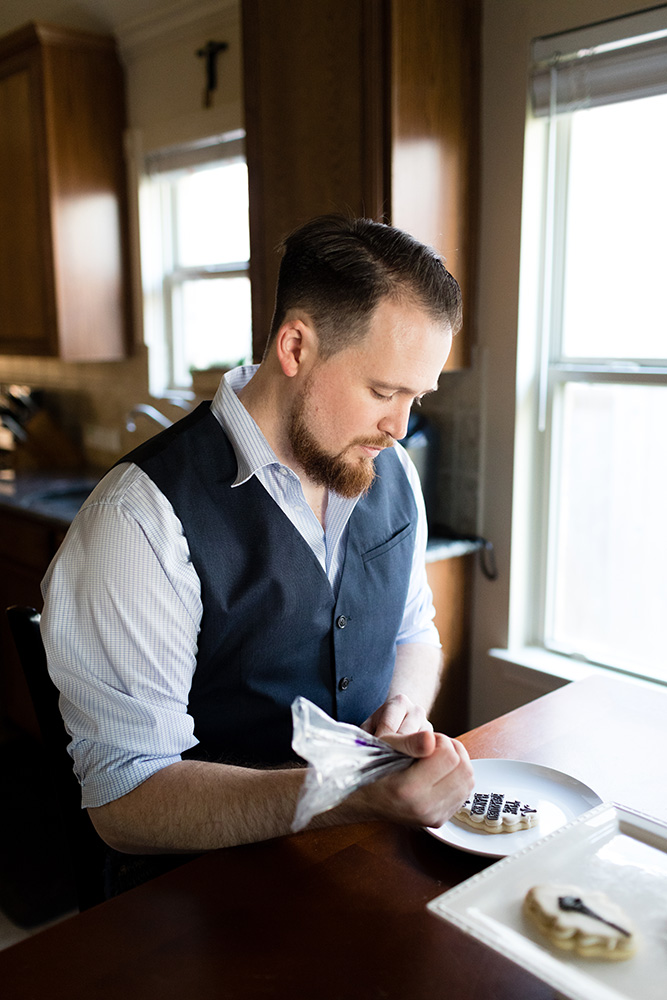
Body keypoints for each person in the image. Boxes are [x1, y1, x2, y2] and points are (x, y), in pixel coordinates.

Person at [40, 215, 474, 877]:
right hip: (198, 900)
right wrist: (345, 796)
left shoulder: (392, 469)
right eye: (383, 391)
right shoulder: (140, 520)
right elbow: (123, 799)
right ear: (295, 347)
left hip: (352, 864)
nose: (399, 426)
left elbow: (415, 632)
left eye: (415, 396)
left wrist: (402, 710)